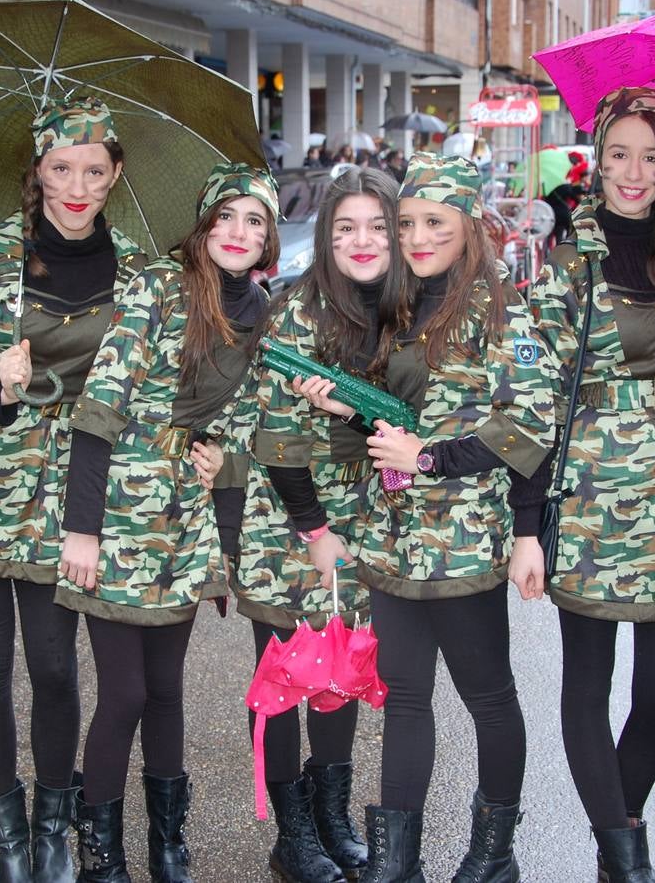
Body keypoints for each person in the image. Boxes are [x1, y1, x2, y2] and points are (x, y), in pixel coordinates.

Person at [0, 96, 149, 882]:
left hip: (71, 497)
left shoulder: (138, 268)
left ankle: (54, 825)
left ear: (115, 174)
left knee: (52, 667)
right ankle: (8, 845)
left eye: (92, 169)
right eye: (60, 169)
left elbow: (154, 387)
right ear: (37, 173)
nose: (75, 186)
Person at [302, 153, 556, 881]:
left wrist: (435, 461)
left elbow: (531, 429)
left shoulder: (502, 309)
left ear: (467, 226)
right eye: (406, 222)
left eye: (432, 222)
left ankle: (491, 853)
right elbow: (395, 429)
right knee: (406, 696)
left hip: (466, 542)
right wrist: (349, 411)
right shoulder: (401, 309)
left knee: (488, 698)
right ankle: (396, 862)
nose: (415, 236)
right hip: (393, 538)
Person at [57, 162, 280, 882]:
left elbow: (239, 435)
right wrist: (80, 531)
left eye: (254, 220)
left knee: (166, 689)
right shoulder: (160, 288)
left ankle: (166, 844)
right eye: (226, 216)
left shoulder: (261, 312)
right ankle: (99, 854)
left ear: (269, 235)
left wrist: (224, 549)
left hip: (185, 521)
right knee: (123, 692)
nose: (238, 232)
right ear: (203, 224)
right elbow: (98, 410)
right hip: (120, 510)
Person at [529, 87, 655, 883]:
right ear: (597, 160)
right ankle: (624, 855)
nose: (634, 172)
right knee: (588, 688)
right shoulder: (568, 257)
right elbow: (535, 397)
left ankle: (620, 829)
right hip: (587, 495)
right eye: (619, 155)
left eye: (650, 157)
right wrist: (524, 526)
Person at [235, 166, 405, 883]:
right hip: (290, 519)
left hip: (364, 515)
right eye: (344, 228)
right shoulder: (295, 314)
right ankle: (292, 831)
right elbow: (275, 437)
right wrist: (313, 531)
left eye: (374, 226)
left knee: (344, 666)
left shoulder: (408, 310)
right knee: (283, 675)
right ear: (325, 237)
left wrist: (353, 411)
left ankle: (332, 815)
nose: (360, 241)